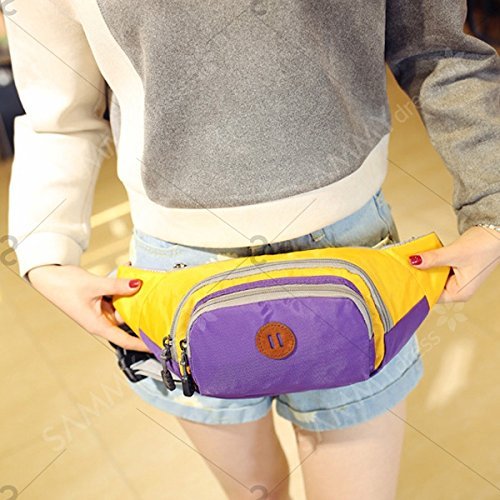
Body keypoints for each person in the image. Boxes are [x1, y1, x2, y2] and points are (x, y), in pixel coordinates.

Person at [5, 1, 499, 499]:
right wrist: (44, 252)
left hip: (351, 249)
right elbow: (58, 117)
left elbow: (438, 50)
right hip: (179, 269)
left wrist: (492, 206)